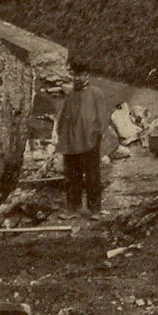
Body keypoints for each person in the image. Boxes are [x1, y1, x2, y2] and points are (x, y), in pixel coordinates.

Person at [58, 65, 109, 217]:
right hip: (71, 142)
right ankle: (73, 207)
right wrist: (61, 133)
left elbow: (103, 118)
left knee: (92, 176)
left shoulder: (96, 93)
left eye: (80, 75)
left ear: (87, 76)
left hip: (89, 141)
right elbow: (63, 116)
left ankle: (95, 209)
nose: (77, 79)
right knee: (72, 176)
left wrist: (98, 136)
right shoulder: (71, 95)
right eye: (75, 75)